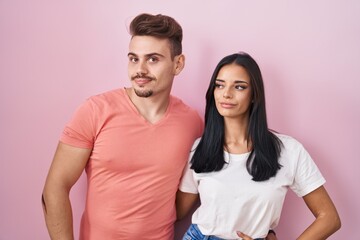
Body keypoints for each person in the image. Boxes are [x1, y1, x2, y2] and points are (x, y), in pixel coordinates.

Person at [41, 13, 204, 240]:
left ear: (178, 64)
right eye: (134, 59)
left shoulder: (192, 123)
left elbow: (198, 189)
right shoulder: (95, 111)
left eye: (153, 59)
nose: (140, 70)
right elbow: (54, 189)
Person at [176, 52, 341, 239]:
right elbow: (177, 213)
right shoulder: (200, 149)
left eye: (239, 87)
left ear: (254, 95)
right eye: (219, 85)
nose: (226, 94)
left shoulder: (289, 151)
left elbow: (330, 218)